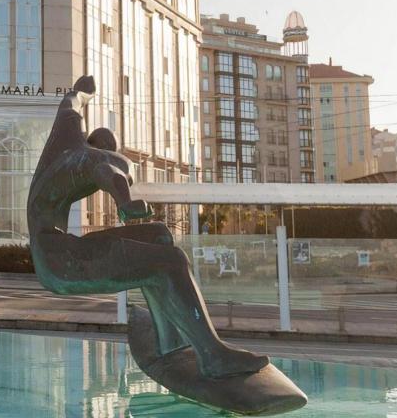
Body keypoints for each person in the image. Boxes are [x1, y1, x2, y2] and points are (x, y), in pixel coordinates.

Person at [27, 76, 267, 378]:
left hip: (53, 249)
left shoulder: (66, 139)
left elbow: (70, 103)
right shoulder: (97, 158)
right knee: (172, 261)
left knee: (159, 235)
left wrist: (84, 91)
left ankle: (169, 340)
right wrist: (125, 202)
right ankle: (213, 356)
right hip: (60, 261)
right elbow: (108, 172)